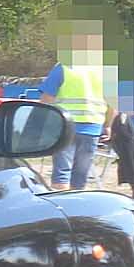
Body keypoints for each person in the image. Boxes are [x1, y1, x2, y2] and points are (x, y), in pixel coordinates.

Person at [37, 19, 116, 190]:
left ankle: (62, 207)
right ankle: (76, 207)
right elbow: (113, 104)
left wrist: (43, 122)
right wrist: (108, 126)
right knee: (80, 175)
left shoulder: (63, 67)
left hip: (65, 127)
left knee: (61, 173)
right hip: (93, 128)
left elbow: (47, 98)